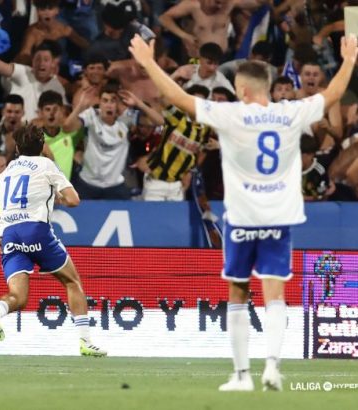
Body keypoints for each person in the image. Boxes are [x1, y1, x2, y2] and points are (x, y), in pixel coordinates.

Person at [129, 33, 357, 391]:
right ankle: (272, 368)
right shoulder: (290, 113)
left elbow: (177, 98)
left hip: (242, 218)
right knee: (275, 293)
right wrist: (348, 61)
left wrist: (148, 62)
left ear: (246, 90)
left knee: (238, 292)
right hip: (279, 217)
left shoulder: (231, 115)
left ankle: (240, 376)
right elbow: (331, 96)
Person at [0, 124, 106, 357]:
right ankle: (85, 341)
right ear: (42, 146)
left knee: (19, 297)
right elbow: (74, 200)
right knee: (72, 282)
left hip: (10, 235)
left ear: (17, 148)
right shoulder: (47, 165)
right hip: (35, 230)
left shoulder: (7, 171)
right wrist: (58, 197)